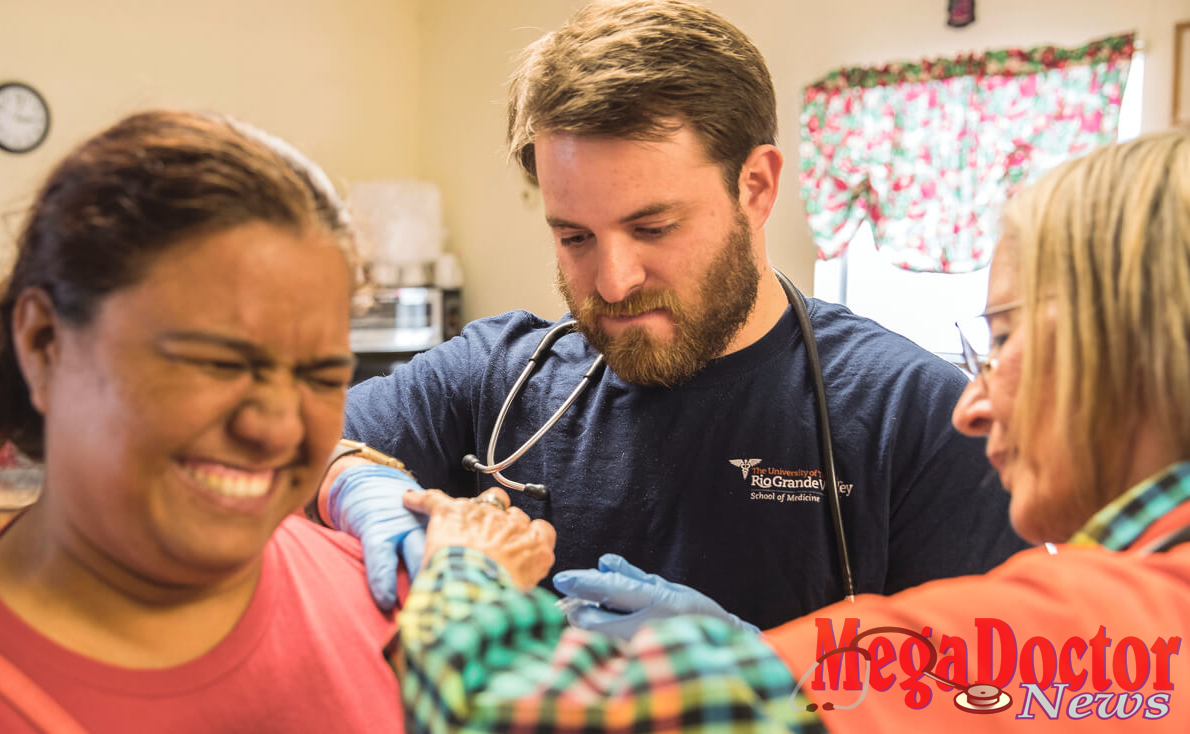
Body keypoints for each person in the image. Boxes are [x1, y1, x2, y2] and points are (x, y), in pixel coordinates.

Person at [396, 129, 1190, 731]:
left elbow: (498, 709)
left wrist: (467, 571)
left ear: (1139, 340)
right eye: (572, 236)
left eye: (1006, 340)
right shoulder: (498, 367)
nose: (973, 408)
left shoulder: (1093, 629)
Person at [320, 0, 1024, 631]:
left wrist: (784, 688)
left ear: (756, 186)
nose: (614, 282)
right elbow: (286, 443)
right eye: (574, 238)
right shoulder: (494, 381)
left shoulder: (923, 419)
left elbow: (984, 696)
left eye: (653, 228)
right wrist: (357, 479)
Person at [0, 110, 406, 732]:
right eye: (215, 362)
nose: (276, 427)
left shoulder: (396, 610)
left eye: (321, 376)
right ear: (45, 344)